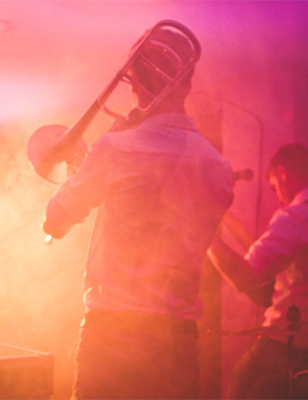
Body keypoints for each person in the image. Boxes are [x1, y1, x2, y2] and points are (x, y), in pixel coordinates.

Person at [42, 22, 234, 400]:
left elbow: (56, 218)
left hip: (112, 336)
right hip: (177, 343)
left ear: (131, 82)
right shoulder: (219, 168)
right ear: (188, 85)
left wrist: (105, 148)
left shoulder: (114, 150)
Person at [208, 143, 308, 399]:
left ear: (283, 173)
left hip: (285, 345)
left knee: (241, 385)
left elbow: (243, 277)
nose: (278, 196)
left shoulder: (295, 217)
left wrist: (201, 229)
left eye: (273, 186)